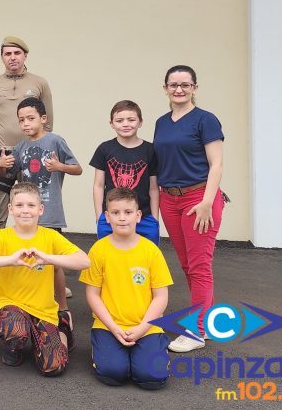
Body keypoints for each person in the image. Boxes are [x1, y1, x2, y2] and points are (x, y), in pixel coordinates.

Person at [0, 183, 89, 376]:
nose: (25, 210)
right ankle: (14, 349)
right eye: (19, 205)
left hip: (43, 310)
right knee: (16, 331)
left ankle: (62, 331)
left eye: (31, 205)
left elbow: (84, 261)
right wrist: (10, 260)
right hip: (11, 304)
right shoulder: (2, 236)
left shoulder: (50, 237)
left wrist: (48, 258)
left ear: (40, 209)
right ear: (10, 209)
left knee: (54, 367)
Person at [153, 65, 225, 353]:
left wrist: (207, 202)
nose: (179, 89)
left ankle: (196, 331)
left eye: (185, 84)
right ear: (165, 88)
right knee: (187, 264)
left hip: (199, 198)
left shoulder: (205, 120)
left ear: (195, 87)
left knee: (199, 265)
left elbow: (216, 164)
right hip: (170, 199)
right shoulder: (161, 122)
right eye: (173, 84)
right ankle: (202, 321)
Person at [79, 188, 173, 389]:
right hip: (108, 326)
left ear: (138, 216)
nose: (122, 218)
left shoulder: (151, 251)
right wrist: (113, 327)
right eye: (115, 212)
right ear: (107, 216)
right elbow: (92, 294)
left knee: (152, 378)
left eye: (128, 212)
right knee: (113, 374)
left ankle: (153, 348)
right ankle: (110, 351)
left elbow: (161, 296)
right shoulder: (98, 250)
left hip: (146, 327)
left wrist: (141, 329)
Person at [1, 97, 81, 315]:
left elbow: (77, 168)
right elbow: (8, 172)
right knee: (28, 258)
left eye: (30, 118)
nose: (26, 124)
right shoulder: (21, 146)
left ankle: (62, 307)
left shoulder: (55, 141)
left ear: (43, 118)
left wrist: (59, 166)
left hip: (50, 210)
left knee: (54, 263)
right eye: (21, 120)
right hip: (26, 214)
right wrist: (1, 165)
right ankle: (31, 302)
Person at [0, 36, 53, 237]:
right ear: (2, 57)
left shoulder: (40, 83)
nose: (12, 58)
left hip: (33, 154)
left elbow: (48, 123)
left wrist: (29, 146)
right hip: (2, 155)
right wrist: (1, 146)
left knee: (33, 210)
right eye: (7, 54)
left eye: (17, 53)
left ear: (25, 55)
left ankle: (35, 262)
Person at [90, 101, 160, 244]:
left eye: (131, 120)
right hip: (112, 216)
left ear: (140, 122)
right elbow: (98, 185)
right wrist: (100, 216)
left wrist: (155, 218)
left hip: (144, 216)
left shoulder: (150, 150)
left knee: (146, 256)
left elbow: (154, 188)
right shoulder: (104, 149)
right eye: (120, 120)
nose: (126, 124)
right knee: (110, 256)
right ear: (111, 123)